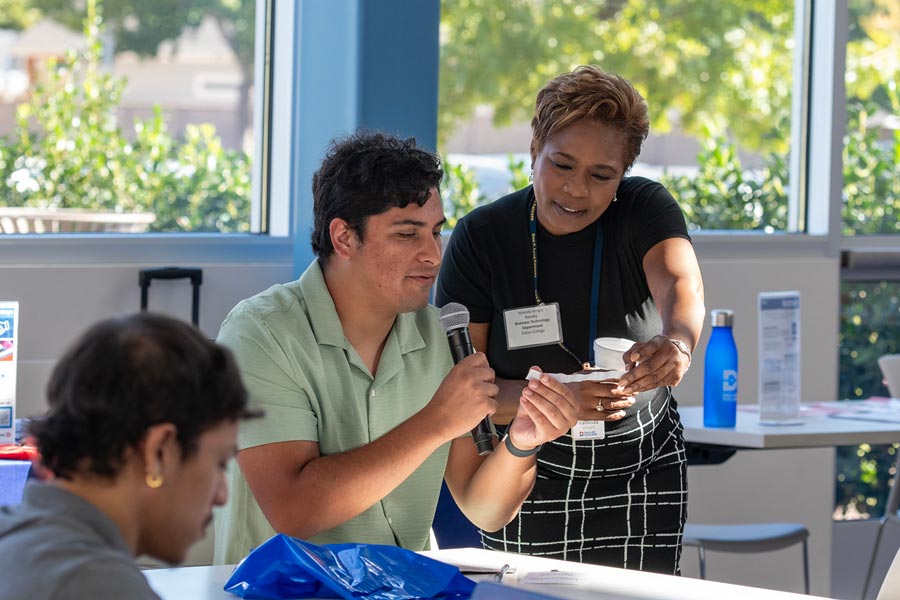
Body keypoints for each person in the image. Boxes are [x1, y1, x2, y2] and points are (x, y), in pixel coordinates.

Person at [213, 131, 579, 564]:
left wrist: (521, 443)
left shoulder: (438, 335)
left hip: (403, 589)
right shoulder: (260, 334)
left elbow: (485, 510)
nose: (433, 255)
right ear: (344, 238)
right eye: (407, 235)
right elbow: (294, 510)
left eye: (436, 232)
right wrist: (436, 422)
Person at [436, 66, 705, 574]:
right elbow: (463, 392)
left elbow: (681, 284)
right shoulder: (483, 237)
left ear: (623, 174)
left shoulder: (643, 209)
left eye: (602, 175)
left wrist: (678, 342)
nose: (576, 190)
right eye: (562, 165)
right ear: (535, 146)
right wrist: (561, 400)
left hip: (641, 466)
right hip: (526, 468)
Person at [0, 313, 256, 600]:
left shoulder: (17, 536)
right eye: (219, 464)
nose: (222, 494)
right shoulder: (97, 586)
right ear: (158, 451)